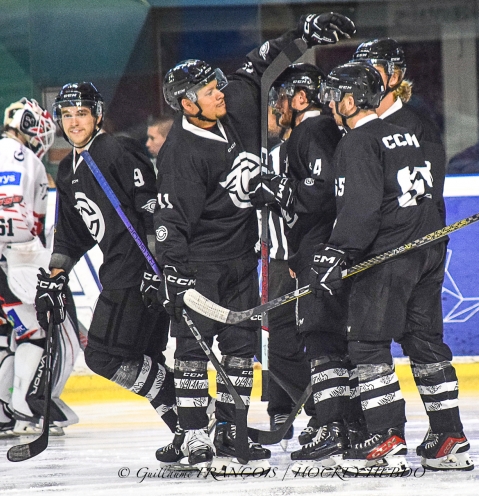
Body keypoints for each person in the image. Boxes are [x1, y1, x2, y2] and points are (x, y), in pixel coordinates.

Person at [155, 12, 356, 470]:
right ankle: (190, 434)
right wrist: (172, 269)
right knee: (192, 350)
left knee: (243, 351)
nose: (219, 92)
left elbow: (260, 63)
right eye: (208, 91)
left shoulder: (236, 104)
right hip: (201, 264)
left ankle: (232, 429)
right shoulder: (180, 155)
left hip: (244, 258)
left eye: (216, 86)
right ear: (188, 105)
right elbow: (170, 221)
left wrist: (303, 34)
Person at [316, 61, 474, 472]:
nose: (330, 105)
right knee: (424, 341)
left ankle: (385, 438)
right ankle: (448, 435)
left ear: (350, 101)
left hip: (387, 256)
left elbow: (362, 209)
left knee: (367, 343)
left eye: (334, 98)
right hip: (428, 249)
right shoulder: (412, 131)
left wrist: (339, 251)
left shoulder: (358, 141)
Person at [34, 83, 179, 455]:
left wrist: (157, 264)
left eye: (81, 113)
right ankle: (192, 427)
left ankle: (199, 418)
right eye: (66, 115)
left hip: (137, 272)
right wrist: (55, 276)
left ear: (97, 115)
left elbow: (151, 209)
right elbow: (69, 234)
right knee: (145, 359)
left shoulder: (114, 149)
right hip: (122, 271)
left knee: (102, 355)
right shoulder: (68, 169)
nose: (73, 121)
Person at [250, 63, 362, 467]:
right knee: (321, 339)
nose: (276, 108)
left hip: (319, 255)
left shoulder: (312, 131)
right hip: (315, 254)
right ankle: (342, 422)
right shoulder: (317, 132)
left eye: (280, 98)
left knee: (321, 339)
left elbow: (318, 193)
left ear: (299, 98)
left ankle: (333, 424)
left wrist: (277, 188)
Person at [0, 98, 79, 439]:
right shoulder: (15, 154)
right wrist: (29, 258)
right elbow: (5, 219)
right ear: (27, 123)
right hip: (5, 260)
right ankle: (28, 408)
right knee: (37, 332)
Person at [260, 106, 314, 451]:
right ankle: (282, 407)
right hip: (276, 260)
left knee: (310, 337)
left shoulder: (306, 151)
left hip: (303, 260)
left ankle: (326, 409)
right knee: (271, 341)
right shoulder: (266, 154)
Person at [352, 37, 447, 222]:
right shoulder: (352, 125)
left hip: (407, 244)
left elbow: (426, 202)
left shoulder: (419, 128)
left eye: (371, 71)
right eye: (358, 71)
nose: (361, 79)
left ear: (394, 77)